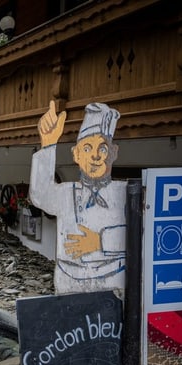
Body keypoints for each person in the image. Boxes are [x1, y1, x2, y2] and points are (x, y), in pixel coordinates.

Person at [30, 100, 126, 294]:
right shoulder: (66, 192)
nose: (96, 156)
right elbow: (40, 196)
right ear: (76, 154)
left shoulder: (124, 192)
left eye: (103, 149)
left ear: (113, 153)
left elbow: (139, 231)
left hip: (114, 284)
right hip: (68, 283)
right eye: (88, 148)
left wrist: (101, 242)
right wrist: (48, 144)